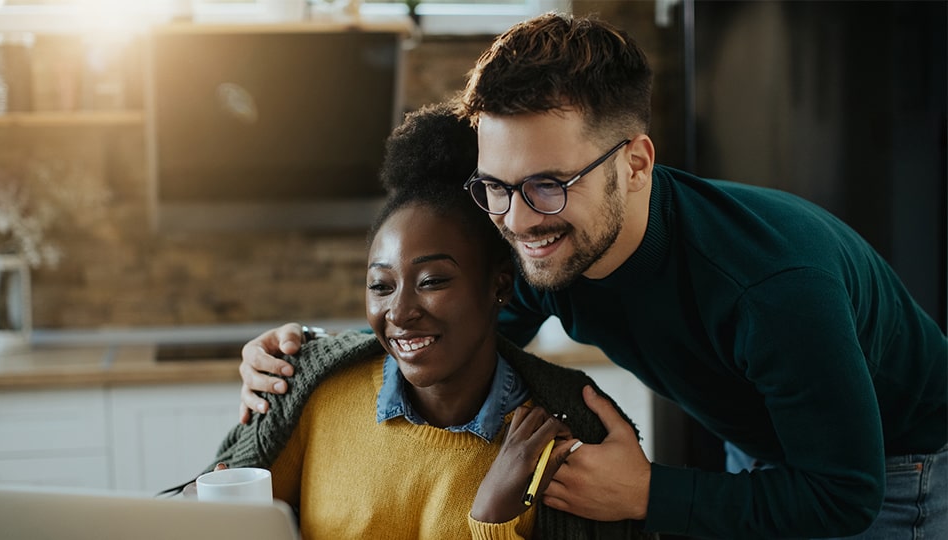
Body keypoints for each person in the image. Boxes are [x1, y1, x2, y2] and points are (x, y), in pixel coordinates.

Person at [237, 13, 947, 540]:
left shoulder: (770, 287)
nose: (515, 221)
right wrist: (304, 361)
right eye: (493, 186)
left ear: (634, 164)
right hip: (764, 443)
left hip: (901, 469)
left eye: (547, 183)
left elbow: (843, 496)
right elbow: (464, 338)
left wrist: (645, 493)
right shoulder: (547, 240)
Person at [195, 103, 652, 539]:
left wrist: (492, 520)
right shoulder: (313, 396)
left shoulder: (563, 436)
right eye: (381, 286)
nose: (399, 311)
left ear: (500, 285)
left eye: (432, 280)